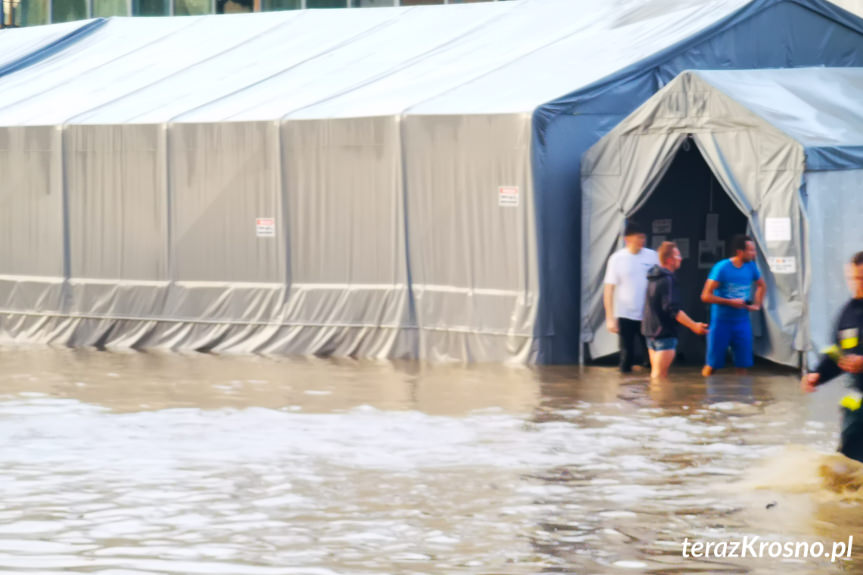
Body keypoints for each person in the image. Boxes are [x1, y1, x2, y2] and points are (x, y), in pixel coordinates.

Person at [802, 252, 863, 463]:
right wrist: (817, 374)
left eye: (862, 279)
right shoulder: (848, 313)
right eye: (853, 279)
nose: (857, 285)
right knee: (848, 464)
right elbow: (837, 353)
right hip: (858, 407)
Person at [700, 234, 766, 376]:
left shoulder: (751, 267)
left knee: (743, 366)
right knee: (712, 366)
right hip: (721, 322)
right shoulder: (722, 268)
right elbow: (705, 295)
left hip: (742, 322)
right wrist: (730, 302)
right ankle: (706, 395)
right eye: (751, 250)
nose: (754, 254)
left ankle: (741, 396)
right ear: (739, 252)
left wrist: (757, 304)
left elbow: (761, 286)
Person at [642, 242, 709, 379]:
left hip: (651, 332)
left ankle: (660, 401)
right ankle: (657, 400)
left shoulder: (653, 277)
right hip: (664, 334)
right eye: (677, 255)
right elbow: (673, 309)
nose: (681, 258)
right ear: (669, 260)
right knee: (659, 377)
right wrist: (694, 325)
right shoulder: (668, 279)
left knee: (657, 375)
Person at [604, 220, 659, 373]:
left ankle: (652, 393)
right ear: (627, 239)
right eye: (638, 238)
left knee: (651, 357)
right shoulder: (617, 259)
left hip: (647, 314)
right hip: (625, 314)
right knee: (626, 356)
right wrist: (610, 318)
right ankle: (624, 394)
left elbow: (661, 283)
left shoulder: (652, 256)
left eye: (643, 238)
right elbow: (609, 289)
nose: (641, 241)